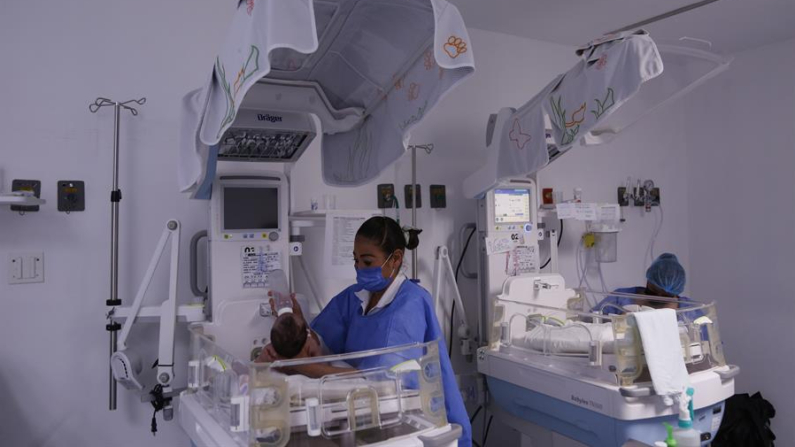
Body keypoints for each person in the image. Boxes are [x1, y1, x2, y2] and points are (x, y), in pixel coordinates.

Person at [259, 216, 472, 446]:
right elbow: (321, 340)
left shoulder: (411, 303)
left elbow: (384, 381)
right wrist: (299, 325)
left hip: (418, 420)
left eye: (367, 262)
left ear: (396, 259)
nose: (359, 269)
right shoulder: (356, 296)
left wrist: (300, 366)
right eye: (356, 261)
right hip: (367, 416)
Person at [592, 253, 702, 321]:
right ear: (649, 279)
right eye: (654, 291)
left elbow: (709, 344)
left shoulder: (689, 311)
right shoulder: (619, 299)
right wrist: (618, 322)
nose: (658, 296)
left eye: (665, 295)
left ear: (676, 291)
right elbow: (590, 323)